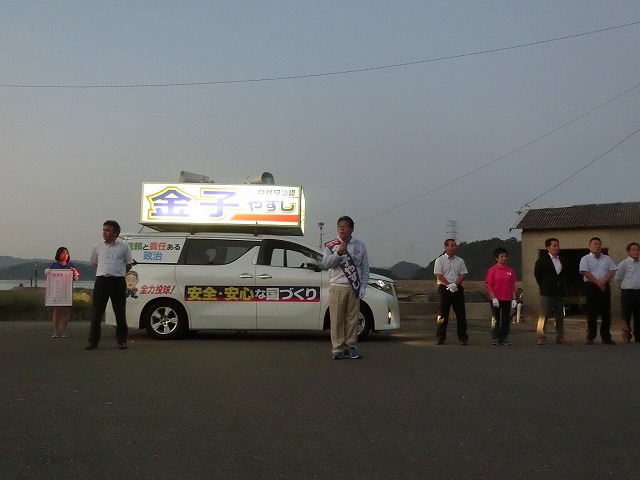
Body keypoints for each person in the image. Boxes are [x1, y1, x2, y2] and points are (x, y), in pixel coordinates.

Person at [322, 216, 369, 360]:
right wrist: (338, 253)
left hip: (354, 287)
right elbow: (326, 264)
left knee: (352, 319)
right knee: (336, 319)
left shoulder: (360, 246)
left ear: (352, 229)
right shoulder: (331, 246)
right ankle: (337, 348)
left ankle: (351, 346)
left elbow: (365, 267)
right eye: (339, 226)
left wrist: (363, 286)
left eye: (345, 226)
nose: (342, 229)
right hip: (337, 286)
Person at [86, 220, 133, 350]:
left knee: (120, 312)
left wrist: (118, 272)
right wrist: (104, 272)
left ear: (116, 232)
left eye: (108, 230)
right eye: (104, 230)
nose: (104, 233)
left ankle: (122, 341)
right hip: (102, 281)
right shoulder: (98, 246)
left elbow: (129, 265)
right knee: (97, 312)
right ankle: (92, 342)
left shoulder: (124, 247)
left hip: (117, 282)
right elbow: (94, 263)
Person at [579, 237, 617, 345]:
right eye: (594, 244)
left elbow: (612, 270)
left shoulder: (607, 258)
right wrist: (597, 282)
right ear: (589, 246)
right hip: (591, 286)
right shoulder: (585, 259)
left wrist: (603, 281)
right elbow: (585, 272)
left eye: (599, 244)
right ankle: (591, 336)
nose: (597, 246)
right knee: (592, 313)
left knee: (606, 313)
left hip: (605, 286)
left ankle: (606, 337)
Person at [534, 238, 570, 345]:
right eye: (554, 246)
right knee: (544, 315)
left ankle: (560, 336)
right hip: (546, 292)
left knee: (559, 315)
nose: (557, 248)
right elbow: (537, 275)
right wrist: (544, 285)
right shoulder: (542, 260)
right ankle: (541, 336)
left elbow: (565, 275)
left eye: (558, 245)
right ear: (548, 247)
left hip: (559, 291)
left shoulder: (562, 260)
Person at [433, 239, 469, 345]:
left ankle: (463, 337)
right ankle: (440, 336)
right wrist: (449, 285)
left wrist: (455, 285)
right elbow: (439, 275)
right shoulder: (439, 260)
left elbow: (463, 274)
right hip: (444, 288)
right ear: (446, 247)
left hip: (457, 288)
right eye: (452, 245)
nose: (454, 247)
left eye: (455, 245)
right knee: (442, 314)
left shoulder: (460, 260)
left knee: (461, 314)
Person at [485, 247, 517, 346]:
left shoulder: (510, 271)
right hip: (496, 299)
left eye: (505, 256)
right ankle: (496, 337)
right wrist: (493, 297)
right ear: (496, 258)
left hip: (507, 298)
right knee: (495, 318)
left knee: (506, 319)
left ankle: (504, 337)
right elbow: (489, 285)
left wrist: (514, 298)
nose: (504, 258)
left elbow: (513, 285)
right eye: (502, 256)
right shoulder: (492, 270)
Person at [46, 246, 79, 338]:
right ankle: (55, 332)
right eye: (63, 253)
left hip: (67, 292)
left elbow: (76, 278)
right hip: (56, 291)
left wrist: (74, 272)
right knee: (57, 311)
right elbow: (49, 277)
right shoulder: (54, 265)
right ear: (58, 254)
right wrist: (47, 272)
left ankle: (63, 331)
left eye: (66, 253)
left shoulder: (71, 265)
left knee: (65, 312)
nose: (65, 255)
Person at [615, 242, 640, 343]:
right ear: (628, 251)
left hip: (639, 292)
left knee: (638, 315)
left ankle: (638, 336)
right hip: (627, 292)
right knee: (626, 314)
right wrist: (624, 286)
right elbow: (618, 278)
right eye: (633, 250)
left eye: (637, 250)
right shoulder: (624, 264)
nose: (636, 252)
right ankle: (626, 335)